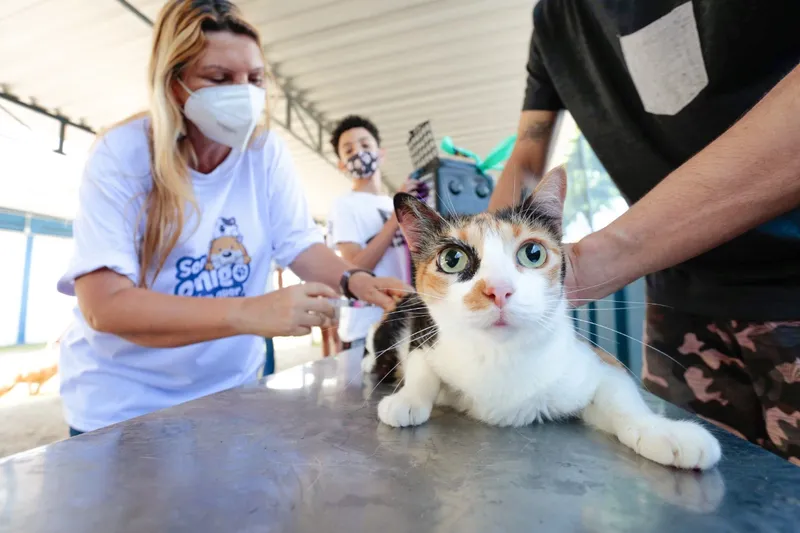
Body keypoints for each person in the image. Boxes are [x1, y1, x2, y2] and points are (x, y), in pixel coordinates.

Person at [56, 0, 407, 436]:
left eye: (255, 79)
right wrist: (249, 313)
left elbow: (298, 242)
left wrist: (355, 281)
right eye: (219, 78)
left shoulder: (264, 153)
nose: (244, 94)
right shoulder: (122, 154)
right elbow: (104, 307)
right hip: (124, 406)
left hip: (230, 393)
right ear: (174, 83)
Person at [490, 1, 800, 463]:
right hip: (678, 305)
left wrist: (600, 257)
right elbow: (527, 159)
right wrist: (475, 260)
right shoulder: (554, 20)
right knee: (683, 489)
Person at [326, 116, 414, 350]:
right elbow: (354, 268)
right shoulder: (345, 206)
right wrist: (396, 219)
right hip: (366, 331)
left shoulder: (390, 202)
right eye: (349, 150)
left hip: (405, 323)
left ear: (380, 153)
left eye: (366, 145)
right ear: (342, 165)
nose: (359, 152)